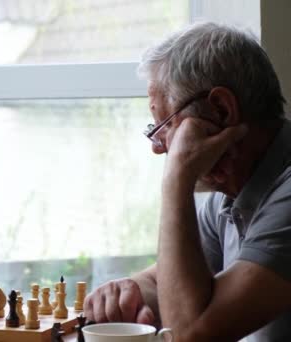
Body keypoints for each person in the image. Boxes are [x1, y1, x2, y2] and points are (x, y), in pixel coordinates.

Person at [83, 22, 291, 342]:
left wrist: (176, 178)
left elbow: (190, 333)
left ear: (221, 110)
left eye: (163, 124)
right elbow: (167, 284)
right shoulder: (229, 196)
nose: (157, 146)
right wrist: (127, 291)